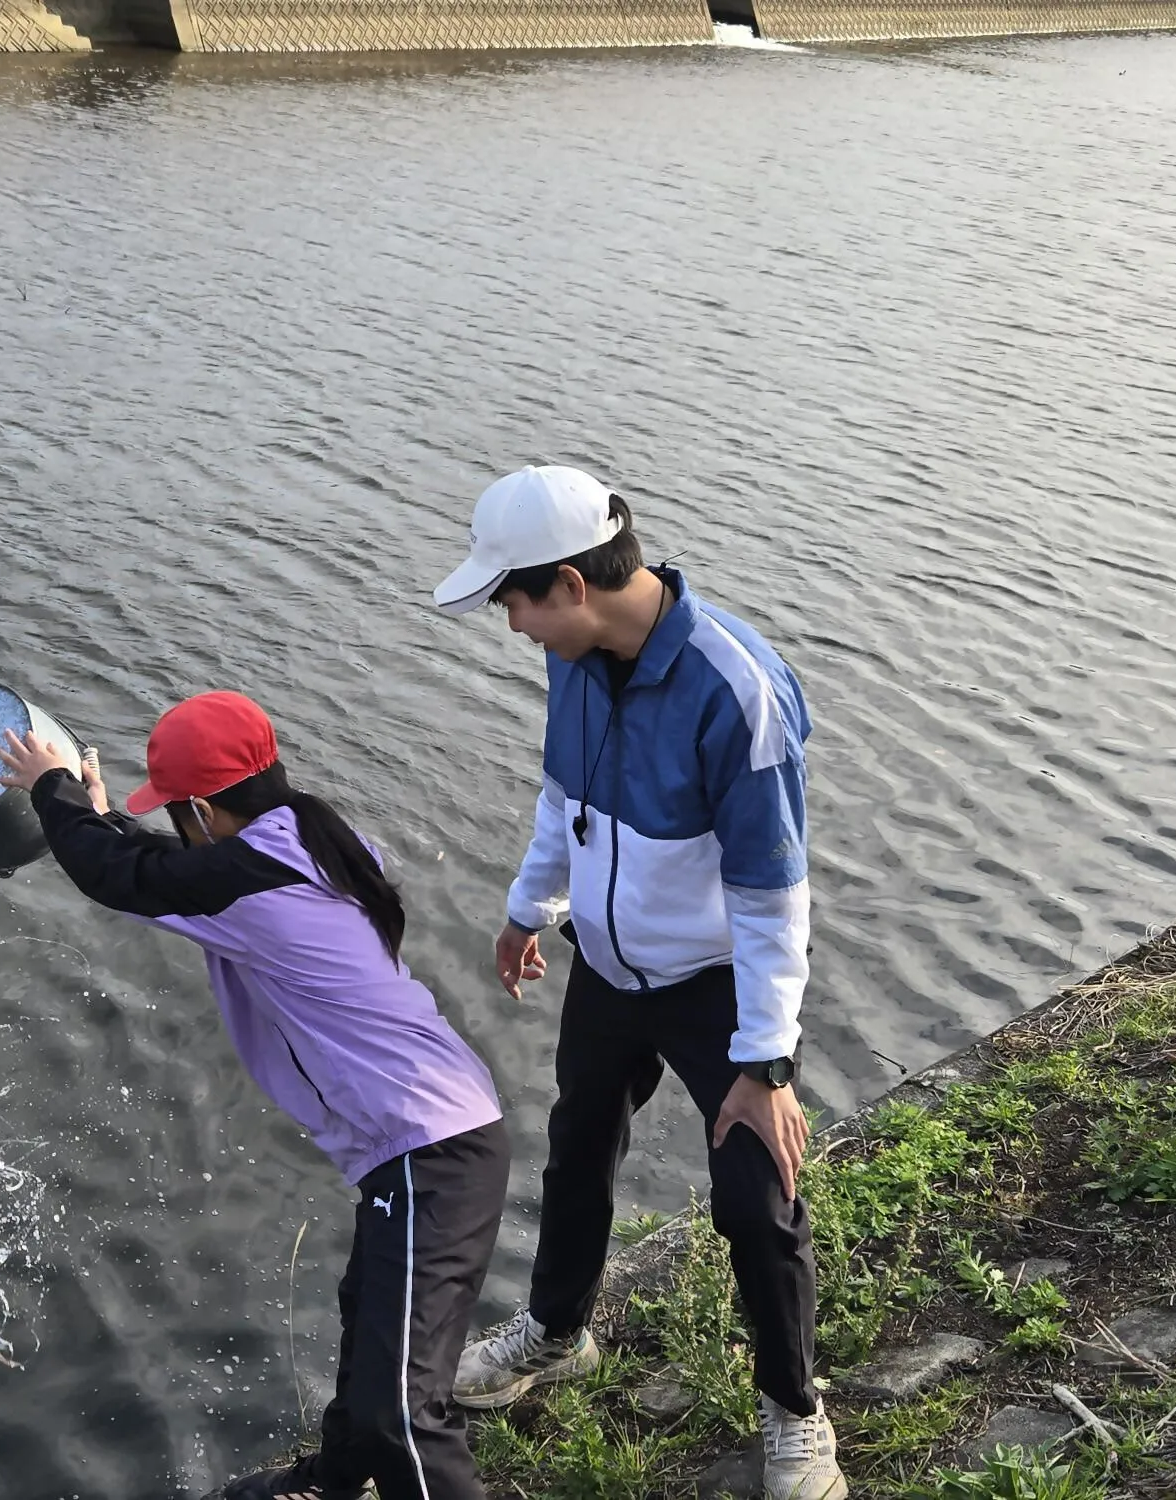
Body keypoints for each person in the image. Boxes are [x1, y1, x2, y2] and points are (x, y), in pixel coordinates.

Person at [429, 466, 846, 1500]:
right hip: (610, 966)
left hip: (714, 985)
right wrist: (528, 906)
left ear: (567, 585)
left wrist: (766, 1060)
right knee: (577, 1148)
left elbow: (770, 900)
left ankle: (794, 1412)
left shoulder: (735, 693)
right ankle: (558, 1333)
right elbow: (560, 796)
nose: (512, 625)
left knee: (756, 1201)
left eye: (512, 602)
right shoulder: (576, 658)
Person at [0, 691, 509, 1500]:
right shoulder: (309, 839)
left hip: (430, 1149)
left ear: (202, 808)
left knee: (402, 1412)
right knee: (368, 1332)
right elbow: (169, 869)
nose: (177, 828)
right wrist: (100, 820)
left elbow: (121, 876)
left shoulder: (252, 883)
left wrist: (53, 790)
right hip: (431, 1140)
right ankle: (332, 1484)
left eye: (178, 814)